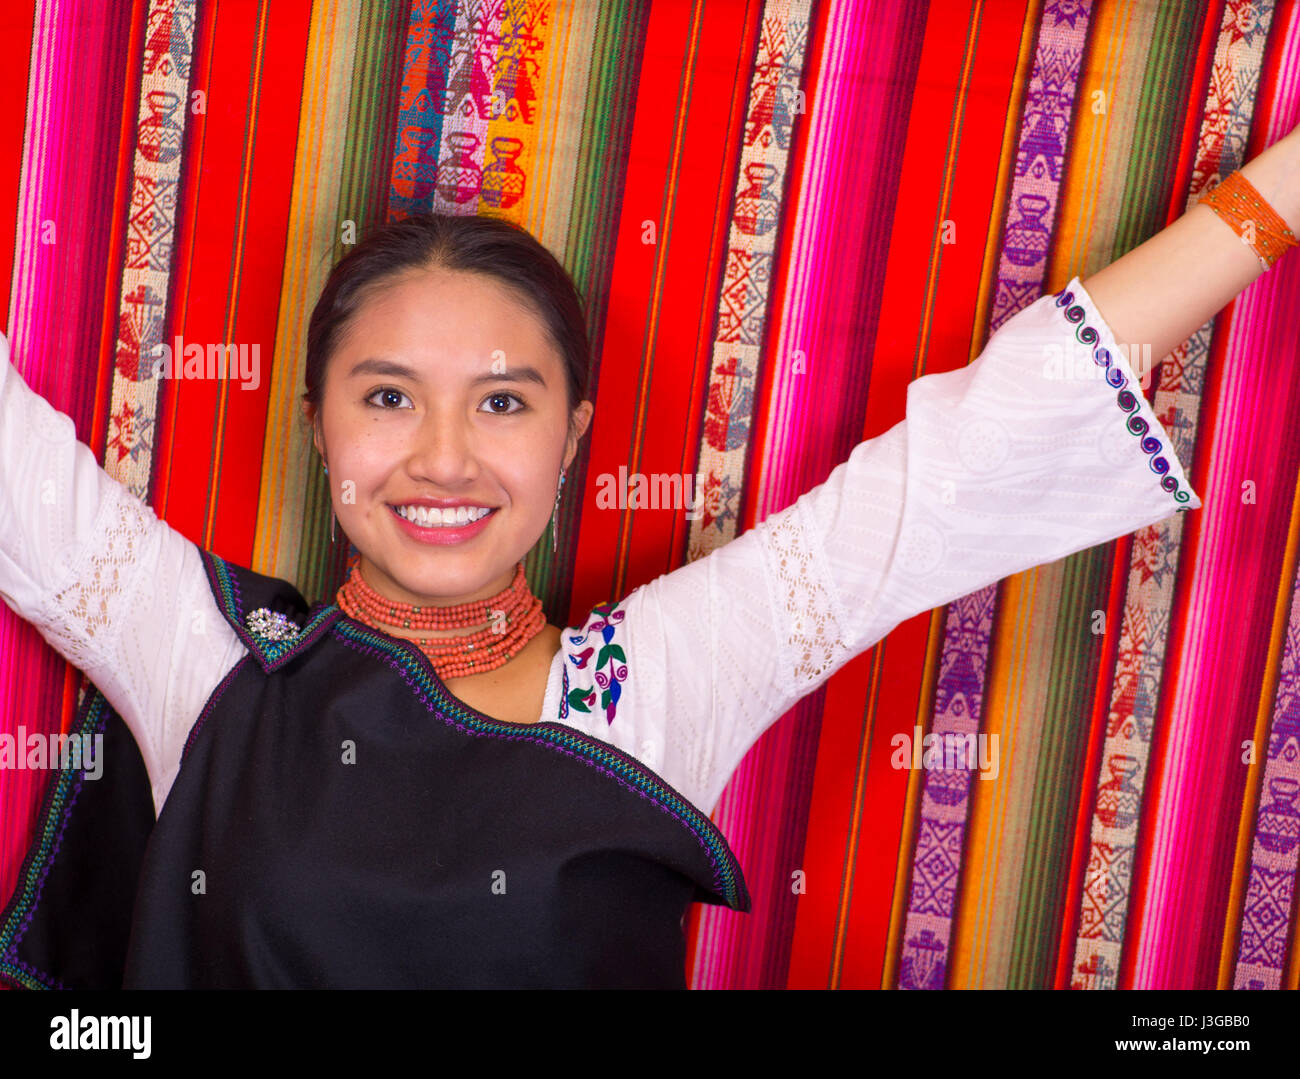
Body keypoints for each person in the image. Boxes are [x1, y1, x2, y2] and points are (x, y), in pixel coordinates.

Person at [0, 128, 1296, 989]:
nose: (443, 460)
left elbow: (971, 456)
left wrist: (1283, 186)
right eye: (387, 398)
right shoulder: (211, 660)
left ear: (573, 440)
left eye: (503, 404)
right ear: (317, 426)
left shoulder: (652, 682)